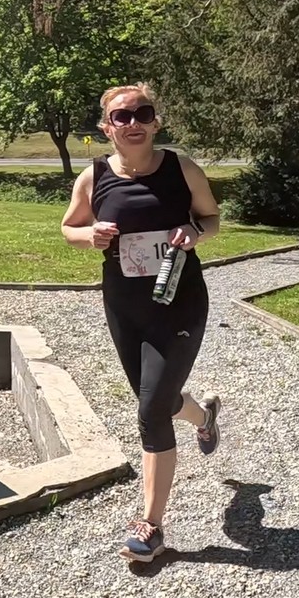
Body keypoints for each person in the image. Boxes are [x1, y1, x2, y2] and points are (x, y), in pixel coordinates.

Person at [61, 82, 222, 563]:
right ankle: (204, 416)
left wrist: (194, 231)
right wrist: (89, 235)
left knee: (151, 409)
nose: (133, 123)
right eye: (122, 117)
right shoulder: (93, 177)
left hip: (180, 303)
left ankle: (150, 526)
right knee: (158, 400)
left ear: (156, 122)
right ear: (106, 127)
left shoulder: (181, 168)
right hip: (124, 306)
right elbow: (68, 227)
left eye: (142, 114)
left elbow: (212, 218)